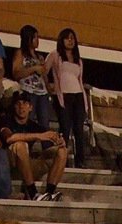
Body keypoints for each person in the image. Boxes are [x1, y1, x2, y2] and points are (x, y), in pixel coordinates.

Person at [0, 90, 67, 202]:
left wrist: (59, 140)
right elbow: (9, 138)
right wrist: (39, 136)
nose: (21, 107)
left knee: (62, 151)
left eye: (25, 103)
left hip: (26, 164)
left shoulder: (34, 126)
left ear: (30, 107)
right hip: (8, 165)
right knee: (21, 145)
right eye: (18, 104)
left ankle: (49, 193)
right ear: (13, 106)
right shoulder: (5, 120)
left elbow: (50, 138)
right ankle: (33, 193)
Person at [45, 28, 90, 168]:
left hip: (78, 95)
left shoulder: (79, 60)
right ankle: (61, 159)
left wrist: (85, 102)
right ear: (61, 40)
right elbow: (44, 71)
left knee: (79, 129)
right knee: (65, 128)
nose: (70, 41)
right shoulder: (55, 55)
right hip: (63, 95)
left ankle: (80, 161)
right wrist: (48, 86)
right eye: (67, 38)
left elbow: (80, 80)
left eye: (72, 38)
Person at [11, 25, 51, 132]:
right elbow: (16, 73)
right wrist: (33, 69)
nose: (37, 40)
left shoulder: (40, 56)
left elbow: (44, 76)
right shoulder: (20, 53)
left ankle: (47, 146)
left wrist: (49, 89)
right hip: (28, 91)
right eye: (35, 38)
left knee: (44, 122)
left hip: (42, 93)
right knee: (28, 120)